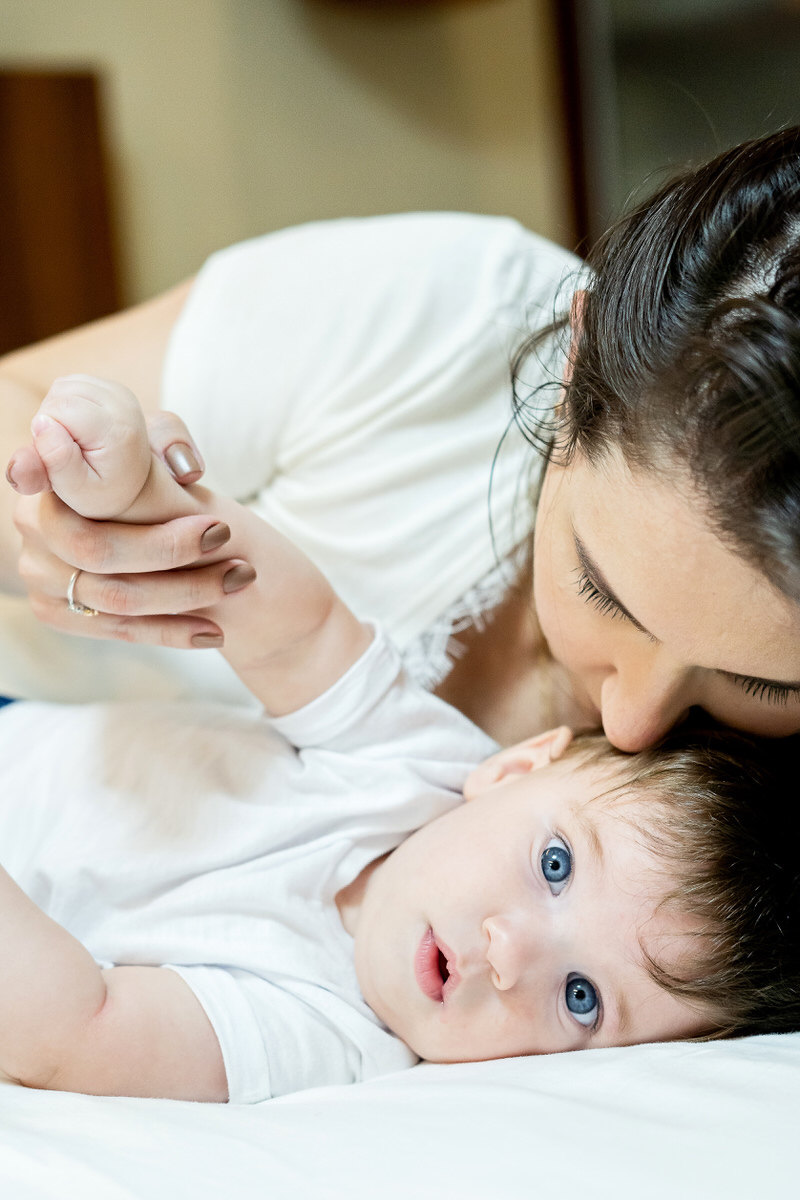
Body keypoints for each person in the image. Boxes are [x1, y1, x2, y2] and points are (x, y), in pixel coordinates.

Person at [0, 373, 797, 1104]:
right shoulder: (418, 768)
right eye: (555, 865)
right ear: (516, 768)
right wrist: (139, 501)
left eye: (580, 997)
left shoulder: (326, 1036)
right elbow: (293, 628)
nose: (510, 954)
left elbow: (78, 1031)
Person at [4, 130, 800, 754]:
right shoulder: (451, 315)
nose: (632, 722)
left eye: (765, 684)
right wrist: (70, 520)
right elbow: (24, 403)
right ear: (573, 368)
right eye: (600, 590)